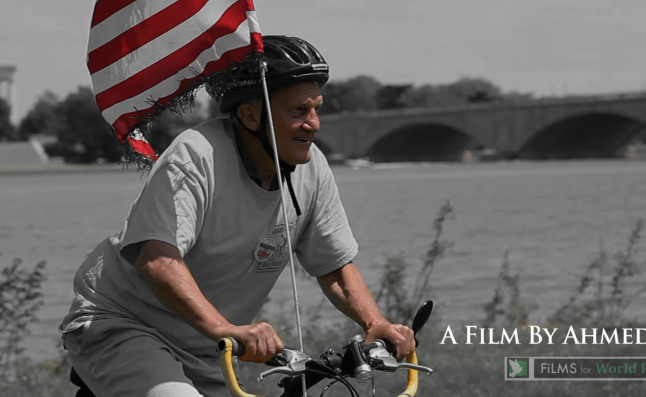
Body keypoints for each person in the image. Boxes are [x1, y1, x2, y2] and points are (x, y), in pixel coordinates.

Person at [59, 35, 416, 397]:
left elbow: (334, 267)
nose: (314, 124)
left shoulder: (312, 168)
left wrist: (376, 323)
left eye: (317, 109)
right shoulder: (196, 156)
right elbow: (159, 260)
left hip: (204, 348)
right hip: (124, 326)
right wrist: (225, 329)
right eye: (298, 111)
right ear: (250, 116)